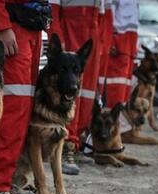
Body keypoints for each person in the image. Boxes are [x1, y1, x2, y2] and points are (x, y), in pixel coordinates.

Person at [0, 0, 50, 194]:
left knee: (22, 107)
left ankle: (8, 179)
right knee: (10, 108)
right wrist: (1, 25)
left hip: (30, 23)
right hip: (11, 23)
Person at [48, 0, 100, 175]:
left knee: (86, 94)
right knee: (68, 92)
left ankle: (75, 142)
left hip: (91, 30)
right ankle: (65, 146)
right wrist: (57, 38)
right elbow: (53, 7)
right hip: (70, 30)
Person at [105, 0, 139, 108]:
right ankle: (114, 117)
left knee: (125, 86)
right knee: (116, 85)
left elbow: (133, 22)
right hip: (119, 43)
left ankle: (120, 119)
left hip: (129, 43)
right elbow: (108, 15)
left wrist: (135, 46)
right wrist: (110, 42)